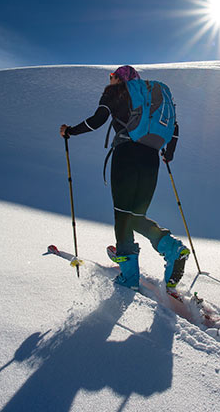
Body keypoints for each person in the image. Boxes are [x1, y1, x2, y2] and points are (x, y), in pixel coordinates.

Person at [59, 65, 189, 291]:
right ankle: (172, 248)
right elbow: (174, 127)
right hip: (151, 158)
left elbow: (97, 120)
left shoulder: (115, 92)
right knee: (137, 216)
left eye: (112, 77)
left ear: (118, 78)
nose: (109, 80)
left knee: (122, 215)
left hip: (126, 155)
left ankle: (129, 276)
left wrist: (70, 131)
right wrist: (169, 153)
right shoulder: (150, 99)